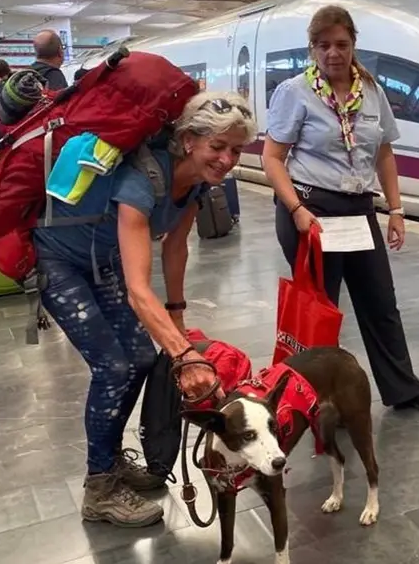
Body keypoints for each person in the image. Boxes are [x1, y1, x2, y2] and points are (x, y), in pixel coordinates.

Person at [32, 91, 258, 527]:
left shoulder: (195, 184)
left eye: (235, 150)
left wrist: (177, 318)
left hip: (104, 262)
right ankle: (99, 488)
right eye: (218, 147)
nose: (228, 160)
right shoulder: (142, 179)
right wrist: (184, 354)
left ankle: (110, 459)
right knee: (113, 368)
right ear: (189, 140)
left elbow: (175, 248)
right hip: (60, 260)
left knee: (137, 357)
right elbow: (138, 289)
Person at [262, 5, 419, 415]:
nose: (333, 53)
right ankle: (321, 398)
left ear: (353, 45)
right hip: (310, 207)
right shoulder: (295, 92)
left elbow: (384, 154)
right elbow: (272, 158)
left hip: (358, 209)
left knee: (380, 301)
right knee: (322, 308)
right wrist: (294, 208)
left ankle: (403, 388)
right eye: (323, 45)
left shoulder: (372, 92)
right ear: (312, 49)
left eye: (341, 44)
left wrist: (396, 210)